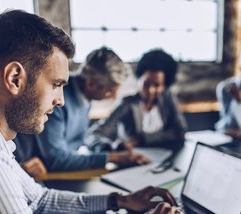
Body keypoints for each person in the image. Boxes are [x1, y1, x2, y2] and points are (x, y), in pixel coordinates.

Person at [0, 10, 186, 214]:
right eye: (56, 85)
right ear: (14, 79)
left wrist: (120, 200)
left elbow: (40, 200)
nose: (61, 100)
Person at [14, 47, 150, 175]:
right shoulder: (58, 101)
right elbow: (57, 160)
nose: (114, 96)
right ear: (91, 84)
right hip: (34, 172)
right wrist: (113, 158)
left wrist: (109, 148)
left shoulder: (85, 98)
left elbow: (82, 139)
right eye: (110, 91)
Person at [86, 48, 187, 151]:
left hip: (166, 157)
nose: (151, 90)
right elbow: (94, 134)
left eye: (156, 85)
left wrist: (141, 139)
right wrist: (111, 147)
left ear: (164, 86)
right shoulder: (126, 104)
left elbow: (179, 133)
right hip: (133, 160)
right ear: (139, 79)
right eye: (146, 83)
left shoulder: (168, 99)